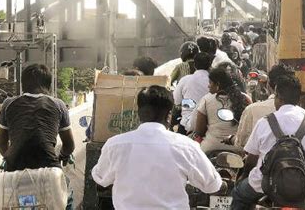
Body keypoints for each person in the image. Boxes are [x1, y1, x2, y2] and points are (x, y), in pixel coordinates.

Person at [91, 85, 223, 209]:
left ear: (138, 113)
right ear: (169, 115)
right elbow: (212, 185)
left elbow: (100, 178)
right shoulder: (187, 146)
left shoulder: (115, 145)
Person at [231, 75, 305, 209]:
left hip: (263, 184)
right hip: (300, 186)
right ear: (298, 99)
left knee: (238, 194)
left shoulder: (264, 122)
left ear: (279, 97)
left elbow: (251, 159)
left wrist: (245, 176)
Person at [0, 64, 75, 171]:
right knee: (61, 185)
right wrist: (62, 155)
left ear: (23, 84)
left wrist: (11, 158)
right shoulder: (58, 105)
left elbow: (1, 144)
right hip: (49, 166)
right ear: (48, 84)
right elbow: (69, 145)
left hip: (14, 168)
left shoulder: (8, 104)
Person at [227, 64, 305, 148]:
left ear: (269, 85)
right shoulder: (303, 114)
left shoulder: (254, 112)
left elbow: (241, 143)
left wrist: (231, 139)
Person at [195, 67, 250, 154]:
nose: (208, 86)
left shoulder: (206, 99)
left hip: (211, 147)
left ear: (218, 84)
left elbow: (199, 131)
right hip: (238, 149)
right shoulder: (245, 98)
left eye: (210, 82)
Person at [173, 52, 213, 133]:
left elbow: (176, 100)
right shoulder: (214, 82)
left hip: (186, 125)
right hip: (208, 126)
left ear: (194, 65)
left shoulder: (185, 80)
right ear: (210, 65)